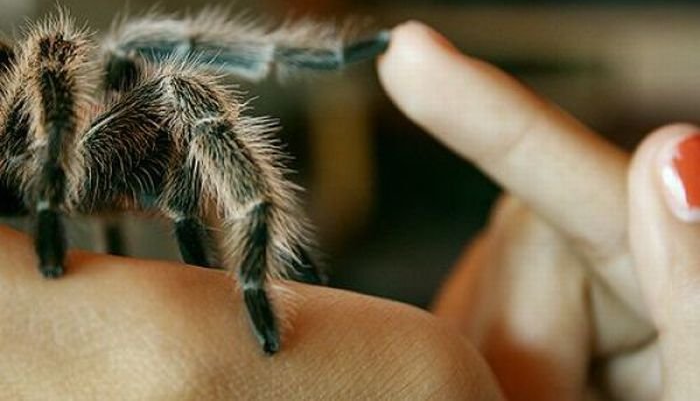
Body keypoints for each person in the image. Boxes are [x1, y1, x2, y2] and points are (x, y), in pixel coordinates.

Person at [2, 21, 696, 400]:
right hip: (33, 149)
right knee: (59, 47)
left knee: (170, 83)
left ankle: (262, 261)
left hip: (47, 159)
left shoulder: (109, 139)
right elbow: (46, 57)